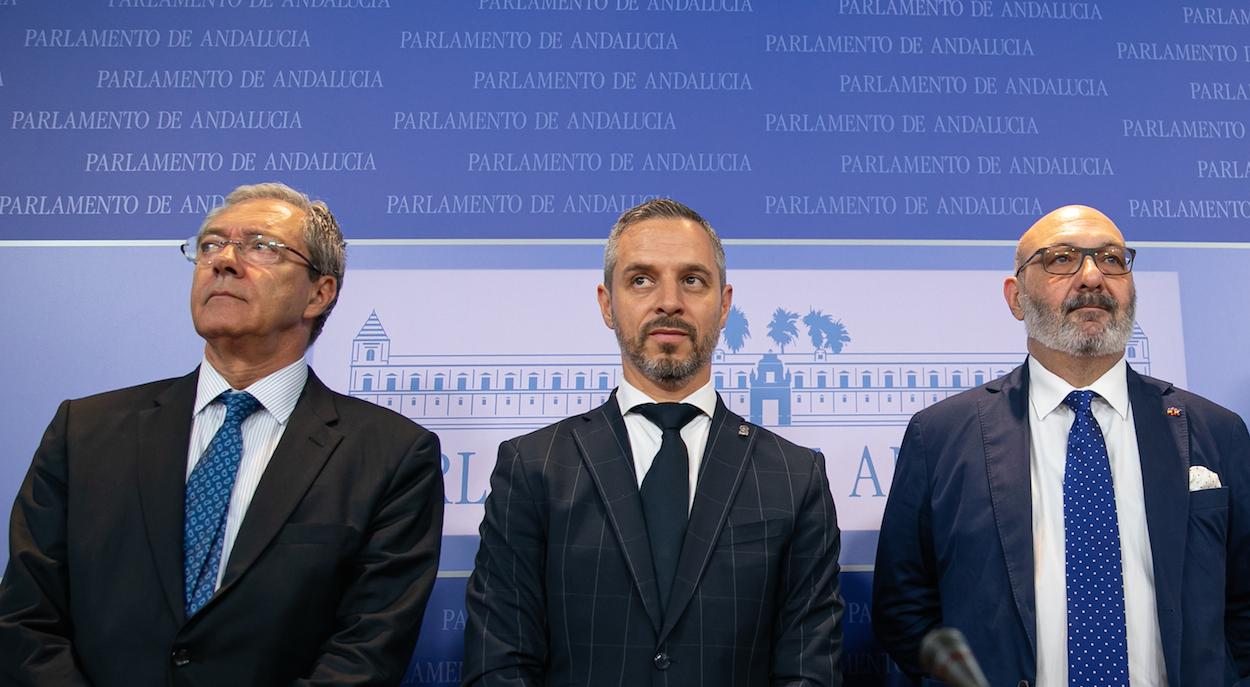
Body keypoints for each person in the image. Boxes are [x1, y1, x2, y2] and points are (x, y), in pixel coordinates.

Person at [0, 182, 445, 687]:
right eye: (210, 244)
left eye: (260, 246)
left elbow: (366, 651)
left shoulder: (390, 454)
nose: (224, 261)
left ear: (319, 294)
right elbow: (26, 621)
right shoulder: (85, 431)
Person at [462, 198, 844, 686]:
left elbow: (809, 671)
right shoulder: (533, 467)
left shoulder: (795, 477)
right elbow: (500, 663)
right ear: (607, 304)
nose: (669, 301)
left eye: (692, 280)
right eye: (641, 279)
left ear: (724, 305)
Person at [872, 205, 1250, 686]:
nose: (1092, 277)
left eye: (1112, 259)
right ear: (1016, 297)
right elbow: (903, 609)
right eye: (1061, 259)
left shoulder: (1216, 430)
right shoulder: (941, 435)